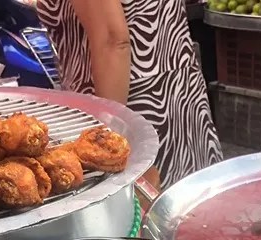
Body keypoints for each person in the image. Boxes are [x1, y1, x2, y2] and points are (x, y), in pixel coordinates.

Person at [36, 0, 223, 188]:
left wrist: (108, 144)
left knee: (150, 200)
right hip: (177, 95)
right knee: (188, 198)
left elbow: (112, 40)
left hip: (132, 108)